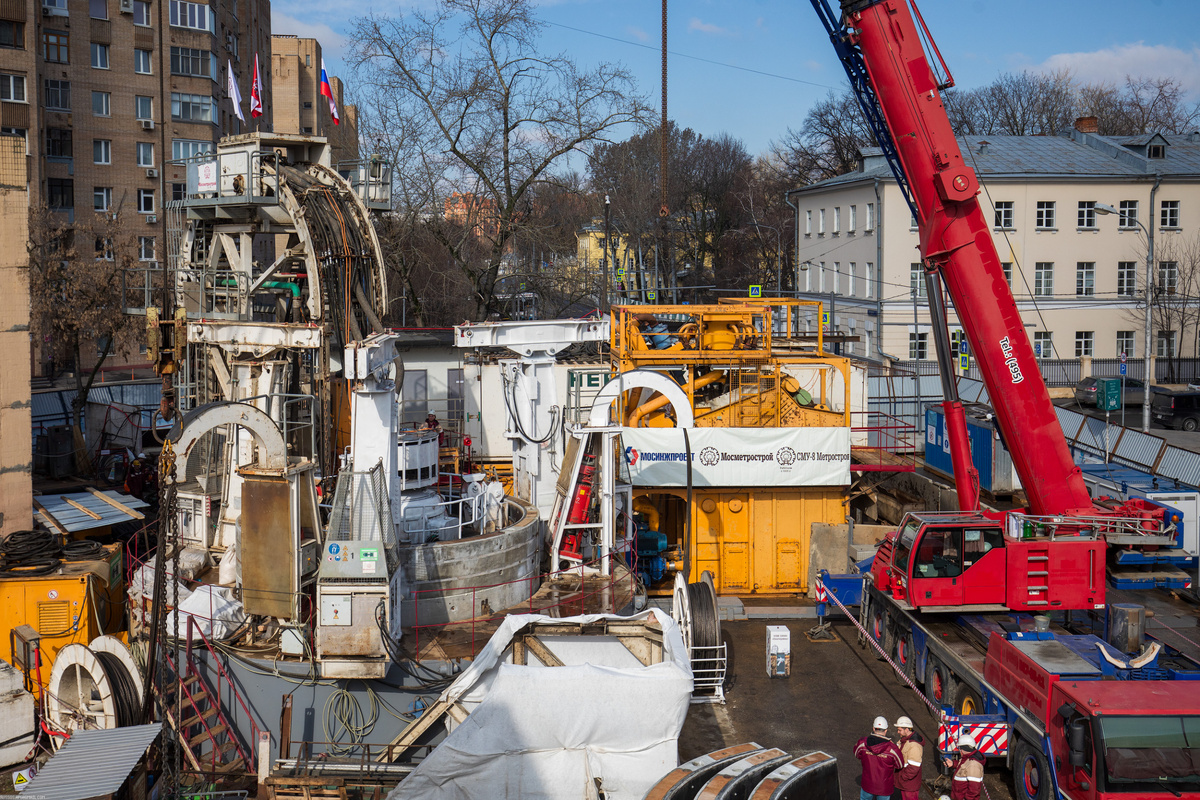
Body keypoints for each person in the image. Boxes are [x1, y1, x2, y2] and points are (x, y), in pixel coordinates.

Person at [855, 716, 903, 800]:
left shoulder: (862, 743)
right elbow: (899, 765)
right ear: (886, 730)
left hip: (867, 784)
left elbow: (857, 754)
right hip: (884, 787)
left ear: (873, 728)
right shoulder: (892, 749)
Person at [943, 733, 985, 800]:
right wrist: (953, 763)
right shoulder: (967, 758)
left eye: (960, 748)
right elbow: (964, 766)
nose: (960, 751)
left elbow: (974, 790)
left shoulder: (973, 765)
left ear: (963, 748)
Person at [894, 715, 924, 800]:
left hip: (909, 785)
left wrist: (903, 777)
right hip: (907, 784)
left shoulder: (914, 746)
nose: (898, 732)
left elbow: (914, 768)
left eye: (899, 730)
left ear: (906, 729)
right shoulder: (904, 741)